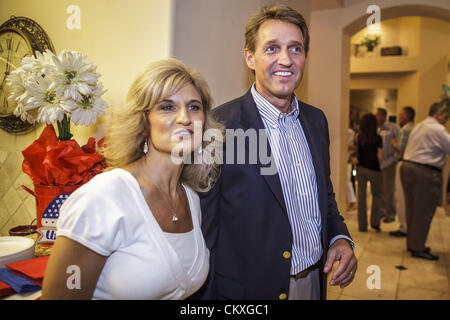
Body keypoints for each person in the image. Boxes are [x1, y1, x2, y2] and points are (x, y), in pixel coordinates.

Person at [197, 5, 357, 300]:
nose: (286, 59)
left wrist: (340, 237)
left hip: (312, 284)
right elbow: (205, 232)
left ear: (305, 57)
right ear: (249, 57)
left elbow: (325, 196)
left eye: (295, 48)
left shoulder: (316, 121)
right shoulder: (219, 128)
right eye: (271, 48)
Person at [42, 59, 223, 299]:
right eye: (167, 107)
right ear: (143, 121)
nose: (184, 118)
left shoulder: (191, 199)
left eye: (194, 107)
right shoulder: (105, 197)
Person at [400, 101, 450, 261]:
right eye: (444, 115)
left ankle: (412, 242)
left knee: (412, 209)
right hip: (424, 172)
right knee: (424, 211)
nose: (446, 118)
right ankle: (418, 247)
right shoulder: (438, 128)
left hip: (407, 166)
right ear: (438, 114)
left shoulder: (419, 125)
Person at [352, 114, 384, 233]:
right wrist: (381, 166)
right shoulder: (378, 138)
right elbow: (380, 156)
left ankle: (362, 226)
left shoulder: (358, 137)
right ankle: (375, 223)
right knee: (376, 196)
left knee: (361, 197)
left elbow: (357, 152)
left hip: (361, 168)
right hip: (374, 169)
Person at [390, 106, 415, 237]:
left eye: (402, 114)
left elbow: (401, 149)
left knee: (401, 197)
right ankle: (408, 226)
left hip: (403, 163)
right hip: (412, 165)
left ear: (407, 116)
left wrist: (393, 143)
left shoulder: (405, 130)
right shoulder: (414, 128)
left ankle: (403, 227)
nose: (399, 116)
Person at [375, 107, 400, 223]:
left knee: (388, 190)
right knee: (380, 190)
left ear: (383, 116)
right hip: (377, 164)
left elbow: (397, 144)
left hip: (388, 163)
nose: (376, 118)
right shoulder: (376, 128)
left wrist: (394, 160)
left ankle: (391, 213)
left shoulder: (393, 127)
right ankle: (382, 211)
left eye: (377, 115)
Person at [347, 127, 357, 211]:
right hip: (348, 159)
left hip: (348, 160)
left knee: (348, 181)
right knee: (348, 181)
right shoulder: (350, 132)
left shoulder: (350, 132)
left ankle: (352, 201)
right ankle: (351, 201)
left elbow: (354, 146)